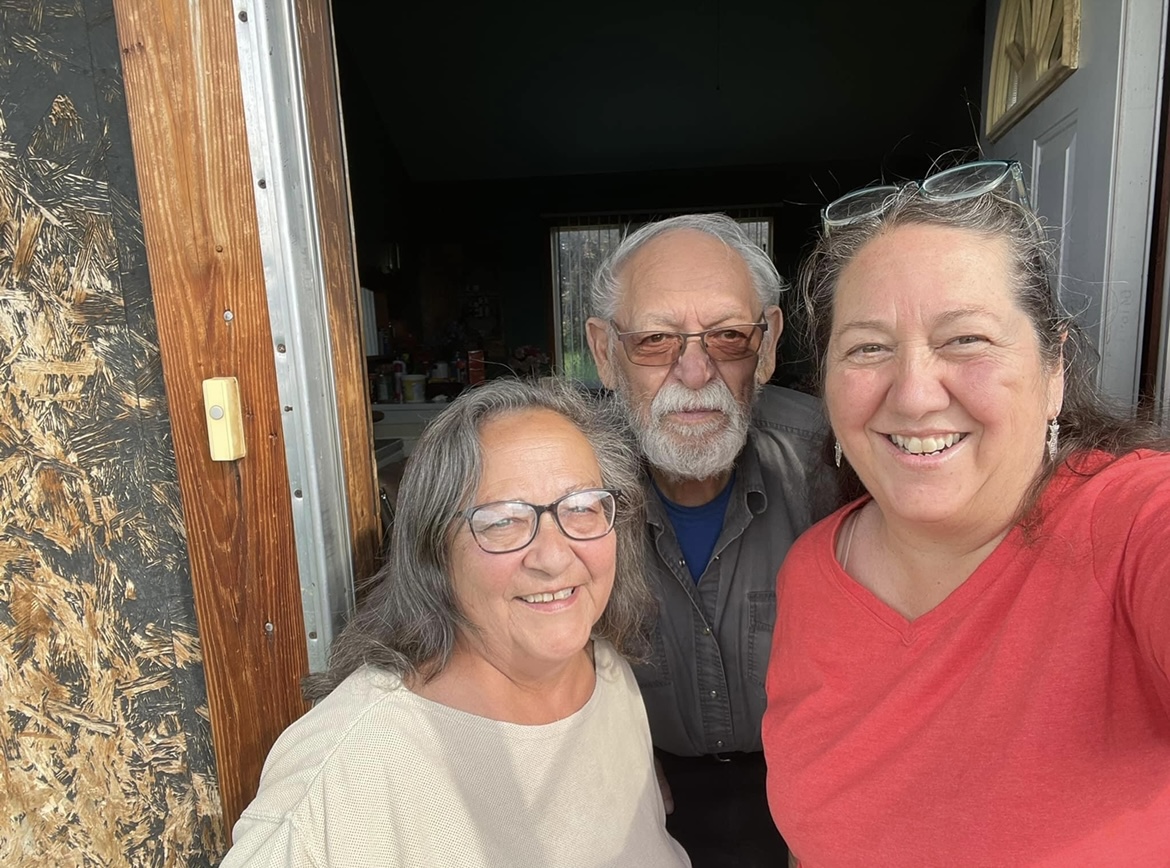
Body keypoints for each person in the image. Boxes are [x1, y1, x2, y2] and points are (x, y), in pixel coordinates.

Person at [764, 159, 1170, 866]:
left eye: (966, 340)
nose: (915, 394)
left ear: (1054, 372)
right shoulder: (811, 569)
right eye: (868, 348)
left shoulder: (1129, 522)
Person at [221, 377, 690, 868]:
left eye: (582, 507)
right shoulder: (348, 767)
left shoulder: (604, 668)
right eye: (503, 520)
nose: (553, 557)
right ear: (435, 550)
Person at [585, 213, 831, 867]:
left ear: (769, 345)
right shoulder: (565, 479)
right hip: (636, 788)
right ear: (605, 352)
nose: (694, 373)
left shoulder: (837, 463)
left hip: (811, 785)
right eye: (654, 340)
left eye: (726, 336)